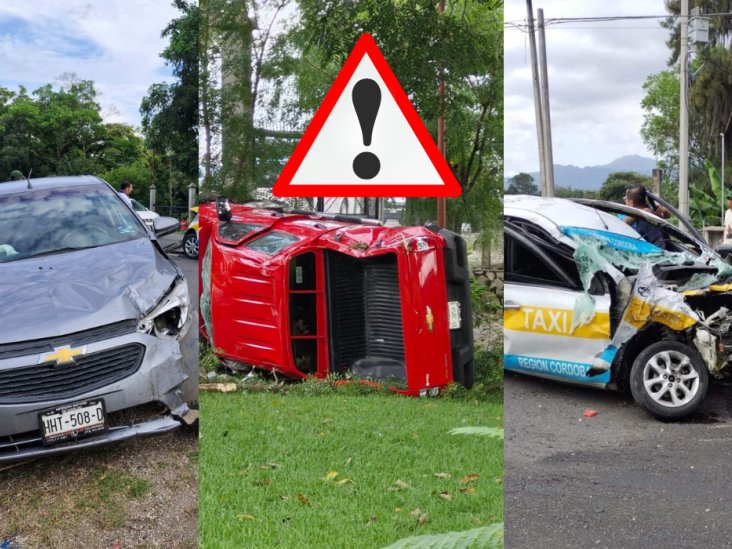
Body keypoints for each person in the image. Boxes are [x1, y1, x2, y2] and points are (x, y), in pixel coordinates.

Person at [622, 184, 668, 249]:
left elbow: (623, 224)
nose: (625, 203)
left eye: (626, 200)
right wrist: (640, 213)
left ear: (631, 202)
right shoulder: (651, 212)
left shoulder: (647, 216)